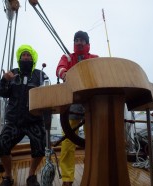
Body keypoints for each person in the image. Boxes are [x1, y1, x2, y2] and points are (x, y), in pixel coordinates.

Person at [0, 44, 49, 186]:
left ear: (33, 57)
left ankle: (31, 175)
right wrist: (4, 79)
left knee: (40, 148)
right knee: (2, 145)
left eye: (28, 55)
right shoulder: (12, 73)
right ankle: (8, 176)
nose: (26, 57)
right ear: (19, 57)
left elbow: (49, 93)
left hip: (34, 120)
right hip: (14, 121)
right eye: (23, 55)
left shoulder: (40, 75)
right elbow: (2, 92)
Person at [56, 31, 99, 186]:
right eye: (77, 40)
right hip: (72, 105)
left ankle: (94, 171)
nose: (79, 42)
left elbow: (102, 72)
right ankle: (67, 179)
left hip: (92, 106)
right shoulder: (68, 58)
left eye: (82, 40)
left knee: (94, 142)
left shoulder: (95, 59)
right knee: (68, 144)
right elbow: (60, 68)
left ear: (87, 43)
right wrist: (65, 74)